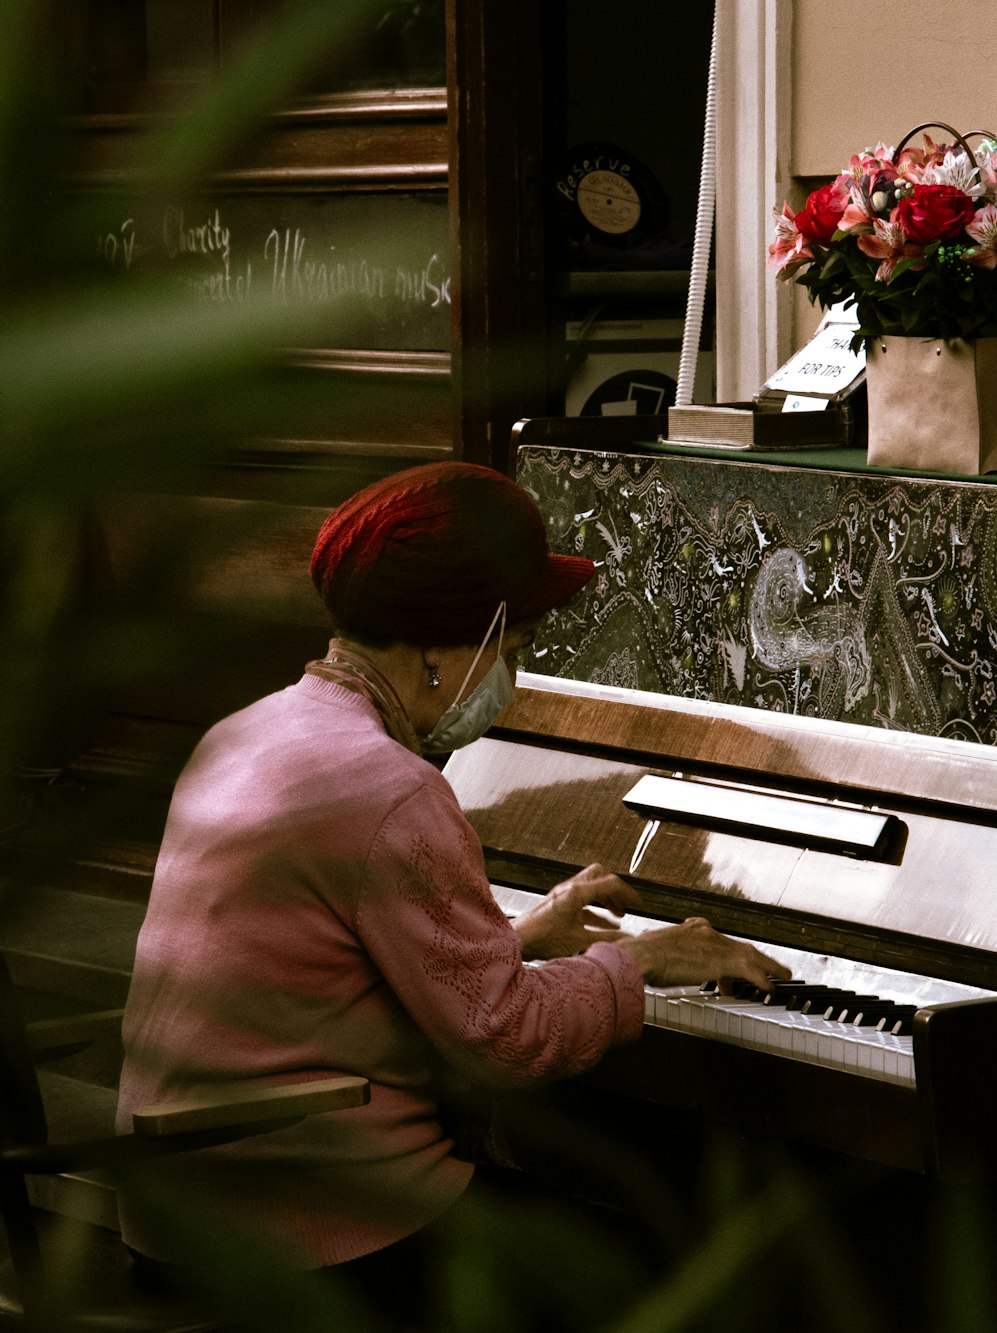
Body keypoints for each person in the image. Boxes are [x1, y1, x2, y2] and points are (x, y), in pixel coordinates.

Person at [115, 461, 789, 1318]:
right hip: (313, 1229)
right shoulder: (387, 786)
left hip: (185, 1212)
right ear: (438, 646)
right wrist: (643, 962)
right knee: (663, 1250)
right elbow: (505, 1039)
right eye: (510, 650)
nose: (510, 682)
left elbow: (336, 964)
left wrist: (526, 932)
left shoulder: (247, 731)